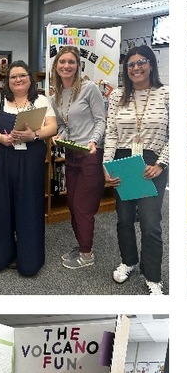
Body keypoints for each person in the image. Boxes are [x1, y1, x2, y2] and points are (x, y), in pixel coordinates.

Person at [103, 45, 169, 295]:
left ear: (151, 64)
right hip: (123, 160)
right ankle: (128, 261)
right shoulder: (117, 96)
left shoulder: (166, 94)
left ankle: (152, 276)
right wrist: (106, 165)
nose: (136, 68)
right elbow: (111, 133)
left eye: (141, 62)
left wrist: (161, 164)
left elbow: (174, 134)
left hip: (152, 160)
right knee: (124, 219)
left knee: (151, 223)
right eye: (130, 64)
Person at [0, 59, 57, 276]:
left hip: (29, 162)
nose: (18, 79)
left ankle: (29, 258)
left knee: (29, 207)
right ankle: (2, 254)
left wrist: (33, 135)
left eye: (22, 75)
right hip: (0, 160)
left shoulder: (41, 100)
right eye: (13, 76)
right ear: (7, 80)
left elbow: (53, 127)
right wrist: (0, 138)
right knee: (1, 205)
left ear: (30, 79)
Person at [48, 46, 106, 270]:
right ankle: (83, 244)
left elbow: (100, 120)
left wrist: (94, 141)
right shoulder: (55, 96)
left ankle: (87, 254)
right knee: (72, 203)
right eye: (62, 62)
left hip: (90, 154)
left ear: (78, 65)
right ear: (56, 66)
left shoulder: (89, 88)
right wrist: (59, 136)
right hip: (71, 154)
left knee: (83, 206)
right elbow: (63, 126)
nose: (66, 66)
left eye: (71, 62)